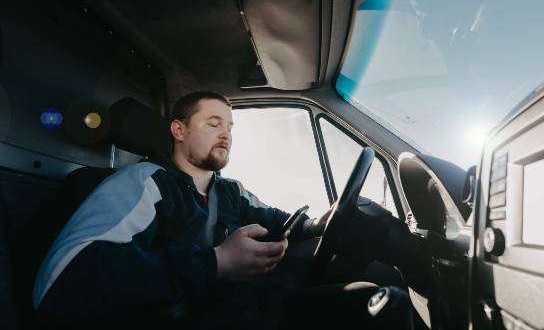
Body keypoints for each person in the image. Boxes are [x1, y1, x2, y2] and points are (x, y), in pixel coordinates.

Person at [32, 91, 351, 329]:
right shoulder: (145, 182)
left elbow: (273, 220)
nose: (226, 133)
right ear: (179, 131)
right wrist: (216, 262)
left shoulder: (231, 190)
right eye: (213, 123)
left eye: (230, 126)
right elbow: (65, 281)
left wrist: (312, 225)